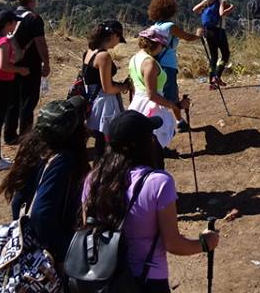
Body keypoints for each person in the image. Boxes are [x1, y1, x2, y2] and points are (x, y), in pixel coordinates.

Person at [80, 111, 219, 292]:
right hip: (147, 280)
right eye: (150, 135)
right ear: (142, 144)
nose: (154, 139)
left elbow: (87, 227)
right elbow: (173, 244)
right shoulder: (159, 182)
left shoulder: (93, 179)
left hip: (103, 277)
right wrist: (205, 243)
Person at [0, 96, 90, 270]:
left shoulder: (32, 147)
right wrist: (65, 251)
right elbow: (41, 214)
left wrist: (23, 234)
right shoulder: (63, 161)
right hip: (49, 254)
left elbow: (18, 201)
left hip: (28, 244)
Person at [147, 0, 201, 131]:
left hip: (155, 64)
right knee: (171, 93)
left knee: (160, 92)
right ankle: (174, 122)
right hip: (168, 65)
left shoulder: (153, 27)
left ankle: (176, 120)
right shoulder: (170, 26)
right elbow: (187, 37)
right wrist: (198, 35)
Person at [4, 0, 51, 144]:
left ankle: (9, 135)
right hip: (30, 65)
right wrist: (46, 62)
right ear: (31, 1)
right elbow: (40, 42)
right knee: (28, 100)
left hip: (11, 64)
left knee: (13, 100)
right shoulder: (34, 19)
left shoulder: (11, 17)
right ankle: (26, 136)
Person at [0, 10, 30, 171]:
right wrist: (20, 70)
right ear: (9, 23)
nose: (16, 24)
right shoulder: (3, 42)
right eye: (14, 22)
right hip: (2, 84)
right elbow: (4, 65)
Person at [129, 26, 189, 149]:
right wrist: (176, 105)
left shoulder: (134, 58)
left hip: (138, 103)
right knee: (154, 142)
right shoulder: (150, 63)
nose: (162, 48)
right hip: (151, 107)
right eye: (162, 45)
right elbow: (152, 95)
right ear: (156, 45)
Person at [82, 20, 131, 158]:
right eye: (119, 38)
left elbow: (94, 79)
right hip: (104, 103)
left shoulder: (89, 52)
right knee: (106, 143)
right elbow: (108, 88)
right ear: (113, 35)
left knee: (100, 140)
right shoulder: (104, 56)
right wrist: (125, 86)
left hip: (92, 99)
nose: (118, 42)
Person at [192, 0, 235, 88]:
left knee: (213, 57)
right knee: (225, 54)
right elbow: (222, 14)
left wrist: (204, 12)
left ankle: (211, 82)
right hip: (218, 31)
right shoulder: (221, 1)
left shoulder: (208, 0)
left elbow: (195, 9)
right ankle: (217, 76)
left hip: (207, 31)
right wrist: (231, 8)